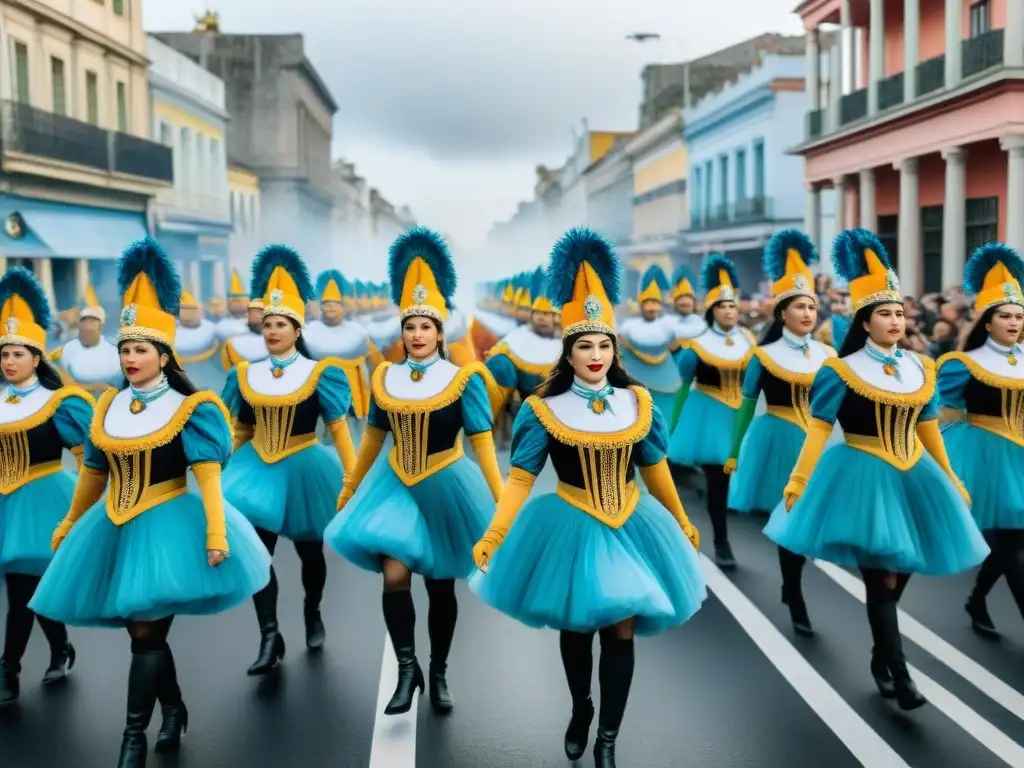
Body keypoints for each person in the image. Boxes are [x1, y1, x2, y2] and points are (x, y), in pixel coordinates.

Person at [29, 237, 271, 765]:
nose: (130, 358)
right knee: (143, 633)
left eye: (141, 349)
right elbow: (93, 472)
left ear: (164, 355)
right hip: (114, 527)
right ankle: (175, 707)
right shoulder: (109, 406)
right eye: (125, 350)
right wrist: (70, 519)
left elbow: (208, 480)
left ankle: (132, 737)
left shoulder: (193, 408)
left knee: (145, 632)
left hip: (171, 526)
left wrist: (215, 533)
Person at [470, 228, 706, 768]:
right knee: (577, 629)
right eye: (585, 345)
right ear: (568, 352)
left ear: (613, 349)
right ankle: (581, 706)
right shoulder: (542, 409)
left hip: (631, 522)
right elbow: (523, 480)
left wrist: (680, 519)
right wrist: (496, 532)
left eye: (604, 344)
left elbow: (656, 470)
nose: (596, 354)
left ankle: (607, 738)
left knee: (621, 630)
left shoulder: (637, 401)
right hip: (571, 521)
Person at [765, 227, 988, 711]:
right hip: (861, 475)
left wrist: (950, 477)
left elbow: (928, 428)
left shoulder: (920, 367)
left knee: (902, 568)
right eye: (884, 313)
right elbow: (820, 429)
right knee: (881, 579)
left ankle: (880, 651)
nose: (896, 319)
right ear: (864, 322)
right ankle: (900, 674)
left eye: (899, 313)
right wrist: (799, 478)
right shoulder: (839, 371)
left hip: (914, 476)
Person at [326, 227, 504, 717]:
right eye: (410, 327)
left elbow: (483, 446)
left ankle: (439, 668)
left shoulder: (464, 380)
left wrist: (503, 504)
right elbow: (373, 440)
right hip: (395, 486)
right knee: (394, 575)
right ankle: (408, 670)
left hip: (448, 485)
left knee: (441, 585)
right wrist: (349, 485)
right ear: (401, 332)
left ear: (440, 332)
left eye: (426, 327)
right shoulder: (386, 376)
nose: (417, 335)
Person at [220, 245, 358, 674]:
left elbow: (337, 430)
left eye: (282, 324)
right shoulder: (246, 374)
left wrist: (352, 479)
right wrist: (220, 474)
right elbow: (241, 429)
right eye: (268, 324)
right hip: (256, 469)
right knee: (258, 555)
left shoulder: (321, 374)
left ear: (297, 330)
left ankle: (312, 609)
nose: (273, 331)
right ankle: (269, 635)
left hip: (305, 470)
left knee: (310, 555)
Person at [723, 229, 834, 635]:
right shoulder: (764, 356)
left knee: (812, 521)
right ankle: (794, 591)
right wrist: (734, 453)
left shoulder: (830, 355)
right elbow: (745, 407)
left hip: (822, 443)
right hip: (779, 438)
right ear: (782, 312)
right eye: (799, 306)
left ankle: (793, 582)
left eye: (812, 306)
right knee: (791, 518)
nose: (808, 314)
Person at [0, 268, 93, 706]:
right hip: (5, 506)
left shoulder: (59, 402)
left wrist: (82, 508)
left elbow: (85, 459)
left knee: (22, 592)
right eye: (4, 354)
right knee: (29, 592)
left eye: (18, 353)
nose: (9, 362)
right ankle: (60, 647)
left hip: (45, 501)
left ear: (37, 358)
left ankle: (9, 669)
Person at [937, 243, 1024, 636]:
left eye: (1019, 316)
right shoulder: (962, 364)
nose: (1014, 322)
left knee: (1012, 545)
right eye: (1005, 315)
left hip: (1019, 458)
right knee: (1011, 546)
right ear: (987, 321)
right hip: (986, 459)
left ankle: (976, 600)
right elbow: (940, 414)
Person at [668, 253, 755, 568]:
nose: (729, 311)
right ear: (711, 311)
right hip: (708, 415)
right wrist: (672, 427)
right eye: (722, 306)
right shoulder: (697, 346)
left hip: (743, 413)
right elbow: (681, 390)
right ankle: (721, 540)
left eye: (733, 306)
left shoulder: (750, 340)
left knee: (739, 479)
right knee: (718, 479)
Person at [50, 285, 121, 393]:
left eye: (92, 322)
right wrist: (90, 387)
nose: (87, 326)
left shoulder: (113, 353)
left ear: (101, 326)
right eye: (84, 321)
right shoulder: (67, 350)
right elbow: (60, 384)